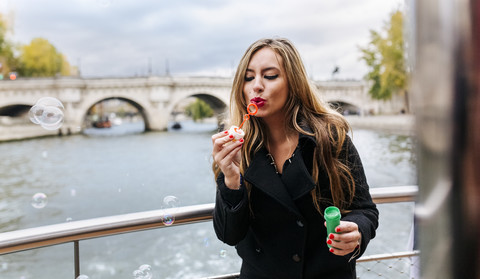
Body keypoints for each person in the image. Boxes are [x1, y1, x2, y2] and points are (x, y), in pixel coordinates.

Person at [211, 37, 378, 279]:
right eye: (248, 77)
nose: (256, 86)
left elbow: (365, 210)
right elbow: (229, 235)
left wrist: (357, 232)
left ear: (293, 83)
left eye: (269, 76)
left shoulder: (330, 138)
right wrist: (230, 179)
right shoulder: (236, 149)